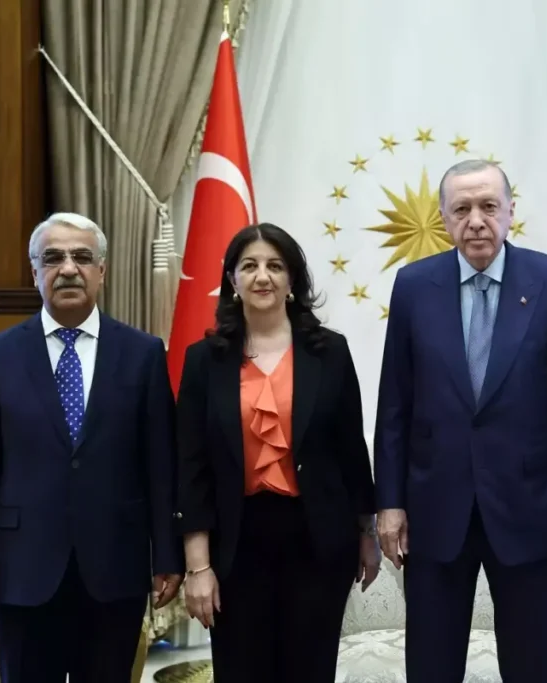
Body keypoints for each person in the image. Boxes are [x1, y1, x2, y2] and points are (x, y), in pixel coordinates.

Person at [373, 159, 547, 682]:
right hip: (434, 507)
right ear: (444, 218)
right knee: (432, 664)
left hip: (529, 505)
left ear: (510, 212)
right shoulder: (413, 285)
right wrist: (390, 503)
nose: (476, 221)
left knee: (529, 663)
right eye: (462, 209)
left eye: (489, 206)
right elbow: (394, 404)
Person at [0, 212, 182, 682]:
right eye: (53, 257)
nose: (68, 268)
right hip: (21, 573)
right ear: (35, 271)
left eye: (82, 257)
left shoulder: (143, 354)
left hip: (115, 568)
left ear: (102, 270)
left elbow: (160, 466)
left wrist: (167, 557)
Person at [175, 223, 379, 683]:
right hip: (235, 548)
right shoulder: (204, 360)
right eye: (249, 266)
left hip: (318, 543)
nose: (262, 276)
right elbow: (191, 468)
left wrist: (367, 533)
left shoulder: (330, 352)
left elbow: (351, 449)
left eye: (275, 266)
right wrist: (197, 566)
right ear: (232, 280)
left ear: (292, 280)